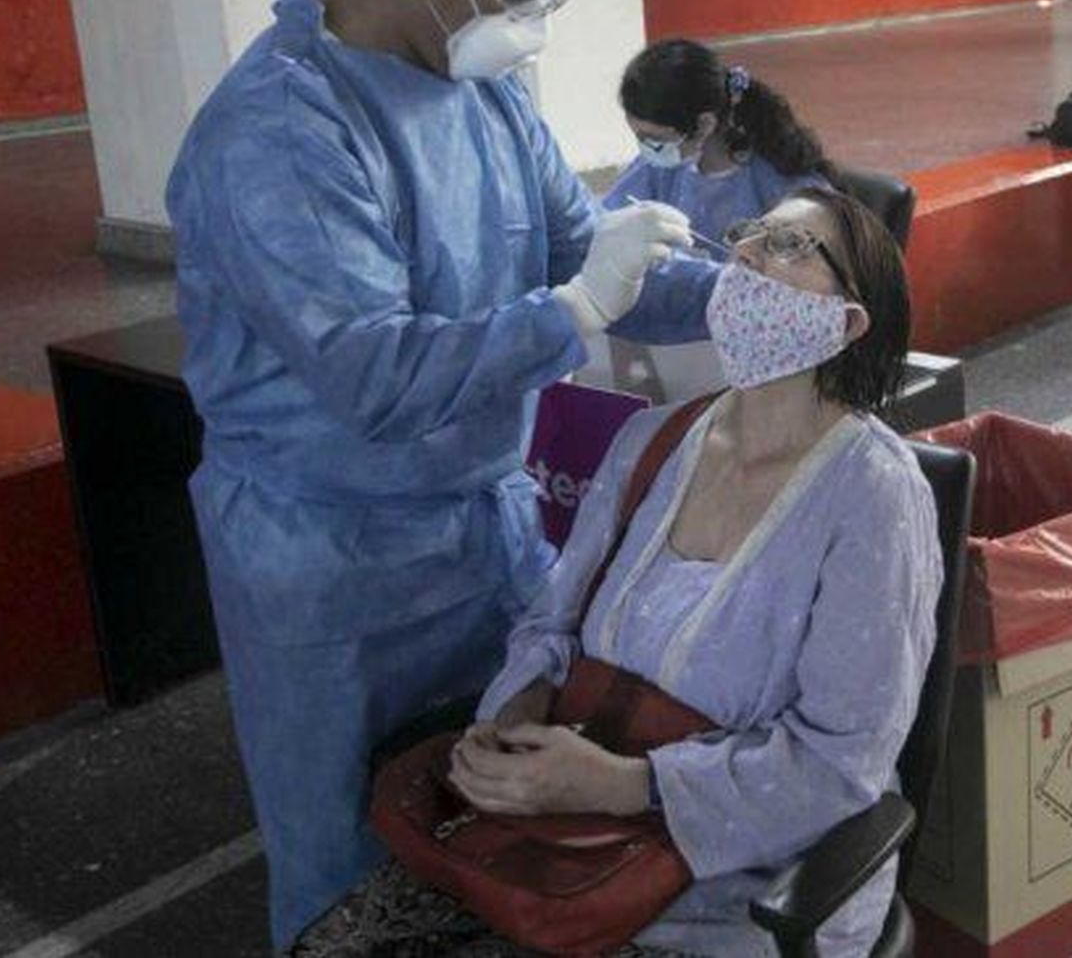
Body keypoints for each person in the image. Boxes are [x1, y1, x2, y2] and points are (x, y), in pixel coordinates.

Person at [164, 0, 691, 950]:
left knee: (497, 816)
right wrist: (575, 310)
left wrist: (744, 289)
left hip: (481, 531)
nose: (529, 22)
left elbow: (583, 250)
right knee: (352, 867)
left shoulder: (482, 89)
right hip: (333, 564)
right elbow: (374, 375)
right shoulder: (279, 132)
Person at [293, 189, 940, 957]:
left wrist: (627, 784)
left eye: (790, 245)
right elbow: (551, 622)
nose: (745, 254)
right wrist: (517, 715)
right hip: (571, 840)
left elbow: (841, 763)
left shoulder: (873, 497)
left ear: (849, 321)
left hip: (745, 893)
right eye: (750, 233)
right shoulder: (653, 441)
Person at [603, 39, 839, 344]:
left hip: (757, 335)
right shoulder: (660, 167)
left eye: (653, 139)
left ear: (704, 125)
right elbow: (604, 227)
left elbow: (808, 286)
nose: (645, 149)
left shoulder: (782, 183)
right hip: (685, 340)